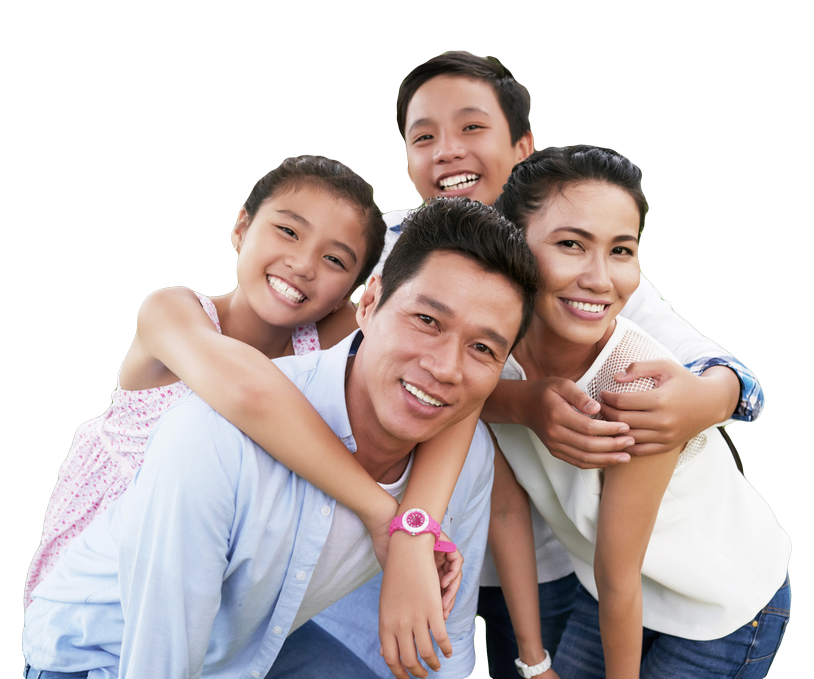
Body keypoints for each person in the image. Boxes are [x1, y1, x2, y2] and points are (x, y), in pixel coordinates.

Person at [325, 50, 767, 676]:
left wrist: (704, 402)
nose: (448, 150)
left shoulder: (583, 273)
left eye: (472, 127)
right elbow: (334, 355)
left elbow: (708, 364)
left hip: (550, 560)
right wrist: (517, 403)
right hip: (394, 544)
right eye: (424, 136)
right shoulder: (393, 248)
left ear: (522, 147)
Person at [21, 196, 541, 679]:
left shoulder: (462, 456)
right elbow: (159, 660)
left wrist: (411, 527)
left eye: (482, 349)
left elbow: (444, 644)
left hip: (254, 639)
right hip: (104, 652)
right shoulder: (213, 437)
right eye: (427, 320)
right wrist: (393, 522)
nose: (446, 368)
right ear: (369, 303)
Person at [487, 145, 791, 678]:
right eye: (571, 244)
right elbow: (507, 510)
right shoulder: (490, 353)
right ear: (512, 244)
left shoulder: (638, 382)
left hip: (718, 605)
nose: (600, 278)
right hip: (607, 588)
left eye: (621, 250)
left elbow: (619, 575)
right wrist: (533, 664)